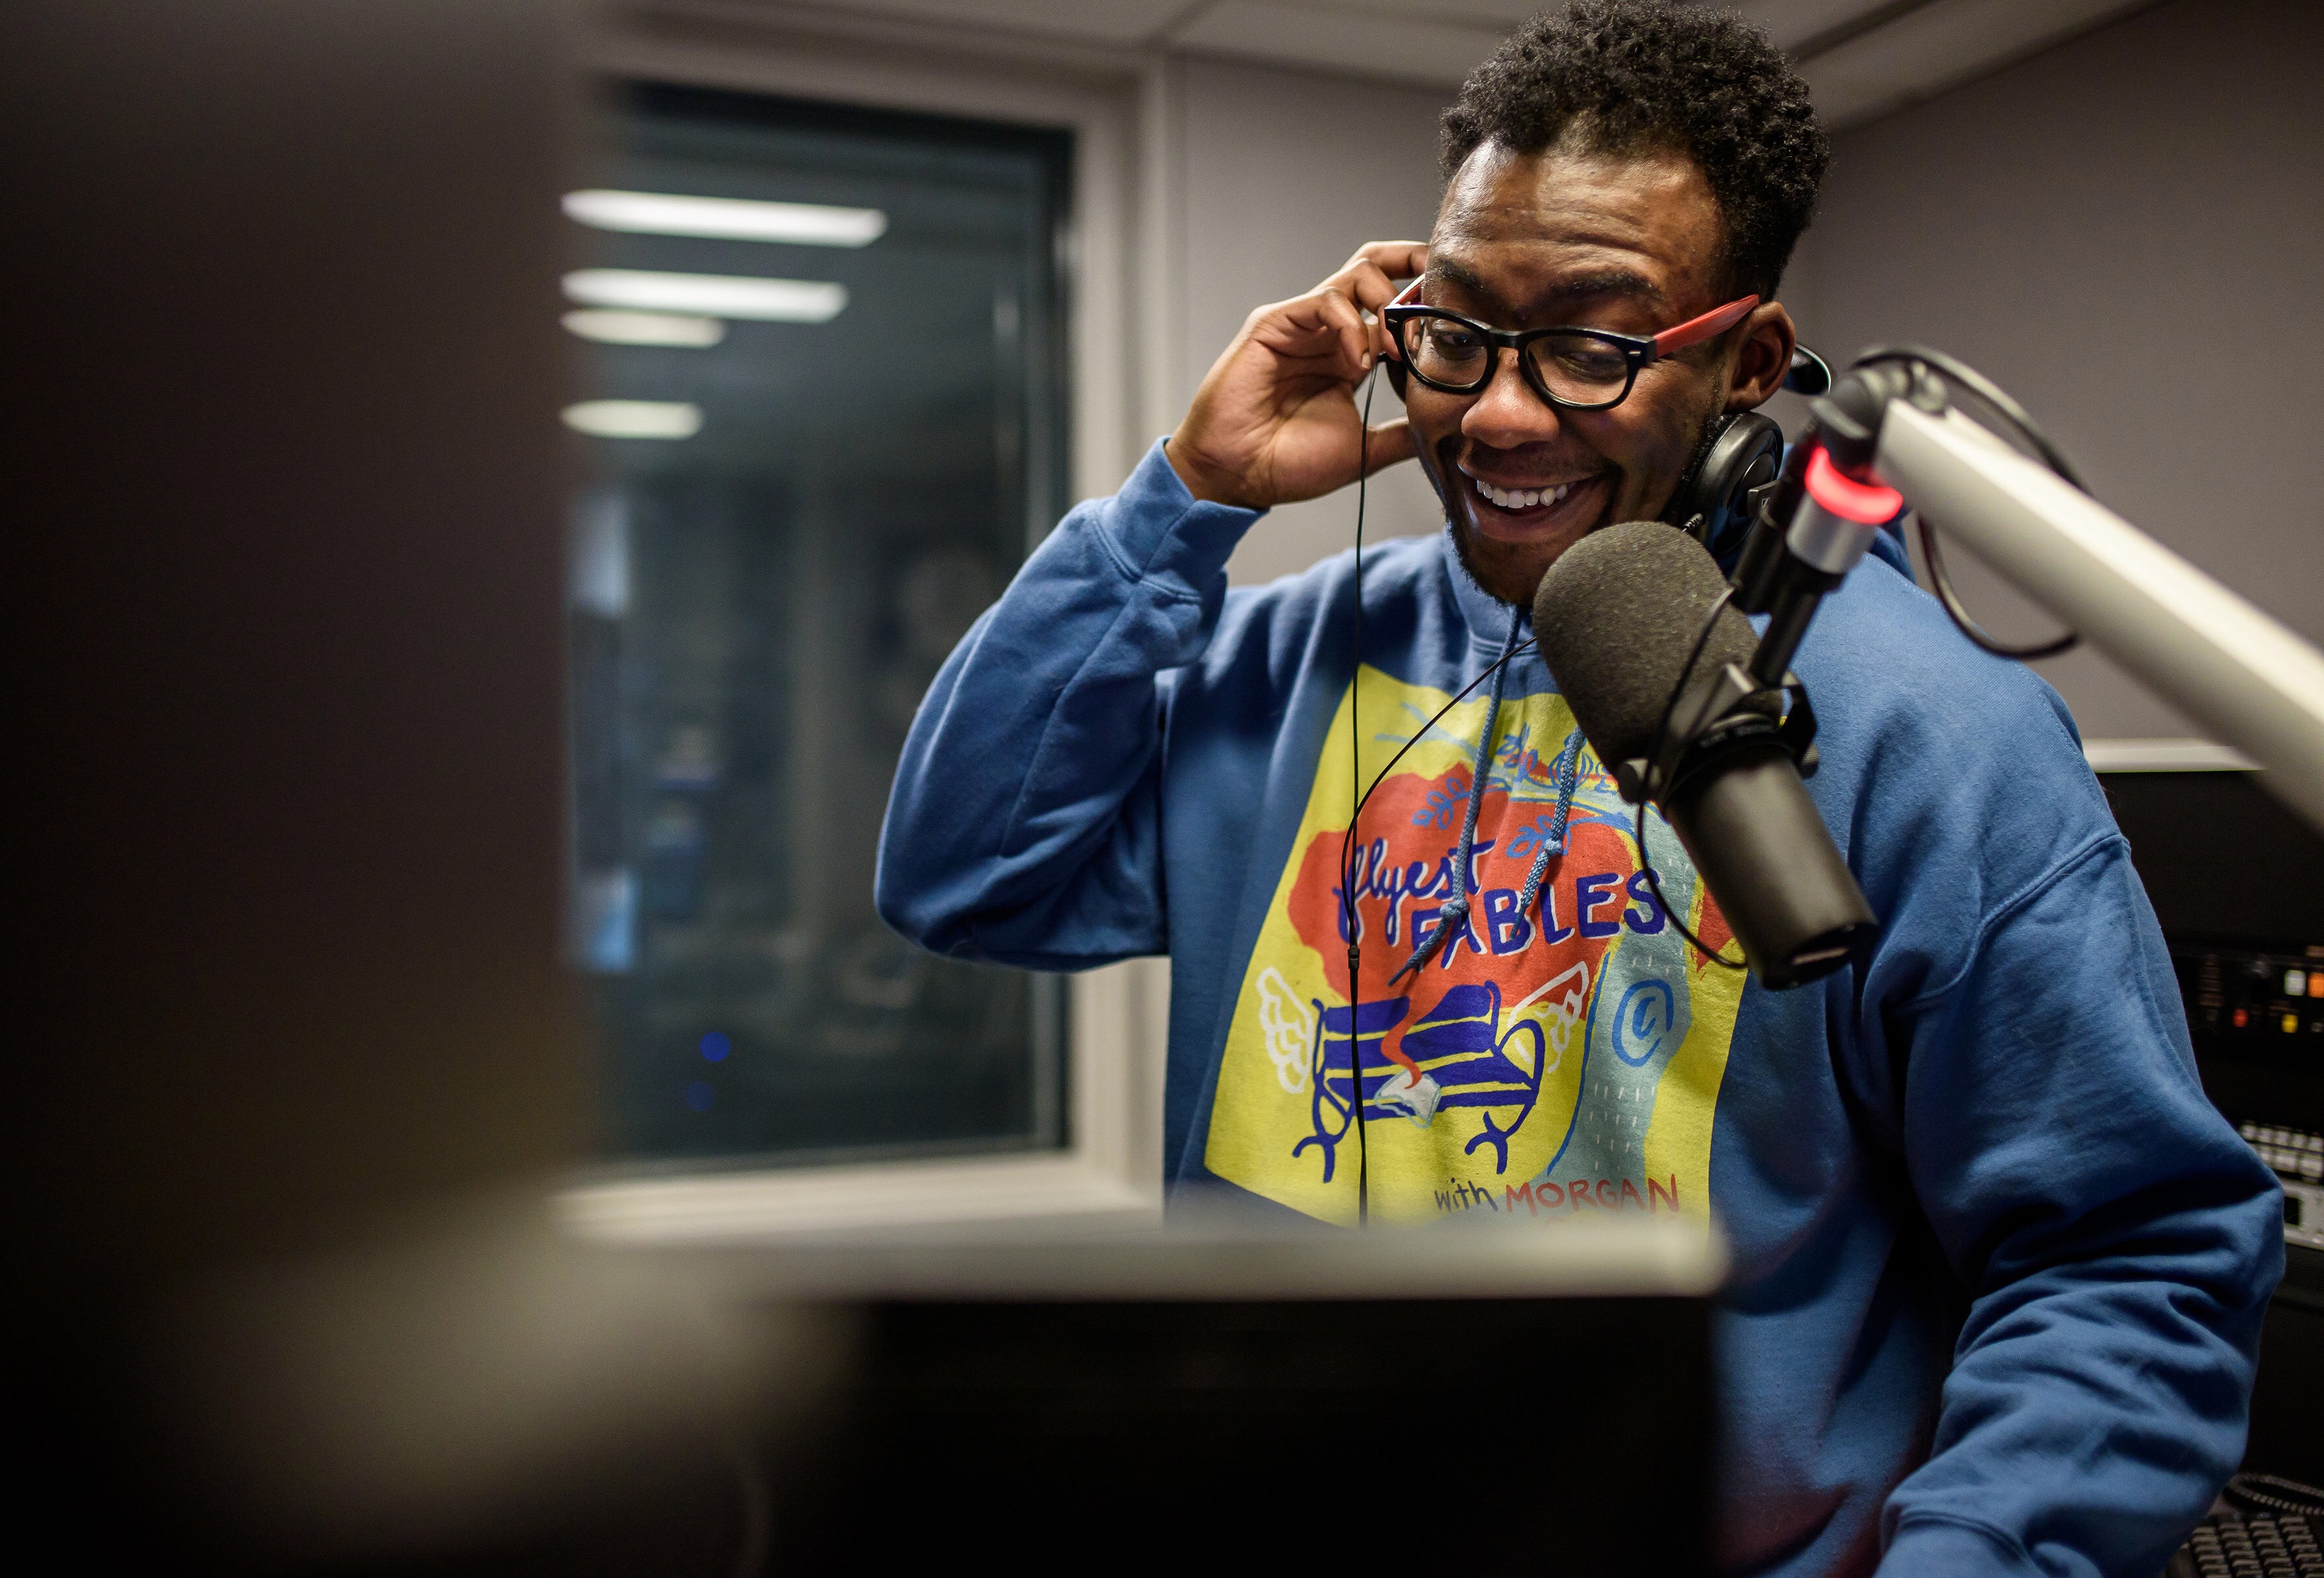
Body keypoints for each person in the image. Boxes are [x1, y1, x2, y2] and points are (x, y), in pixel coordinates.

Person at [875, 2, 2283, 1571]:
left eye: (1591, 347)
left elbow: (2126, 1257)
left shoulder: (1931, 732)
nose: (1497, 413)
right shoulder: (1290, 662)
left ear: (1747, 361)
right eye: (1459, 330)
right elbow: (965, 872)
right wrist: (1181, 503)